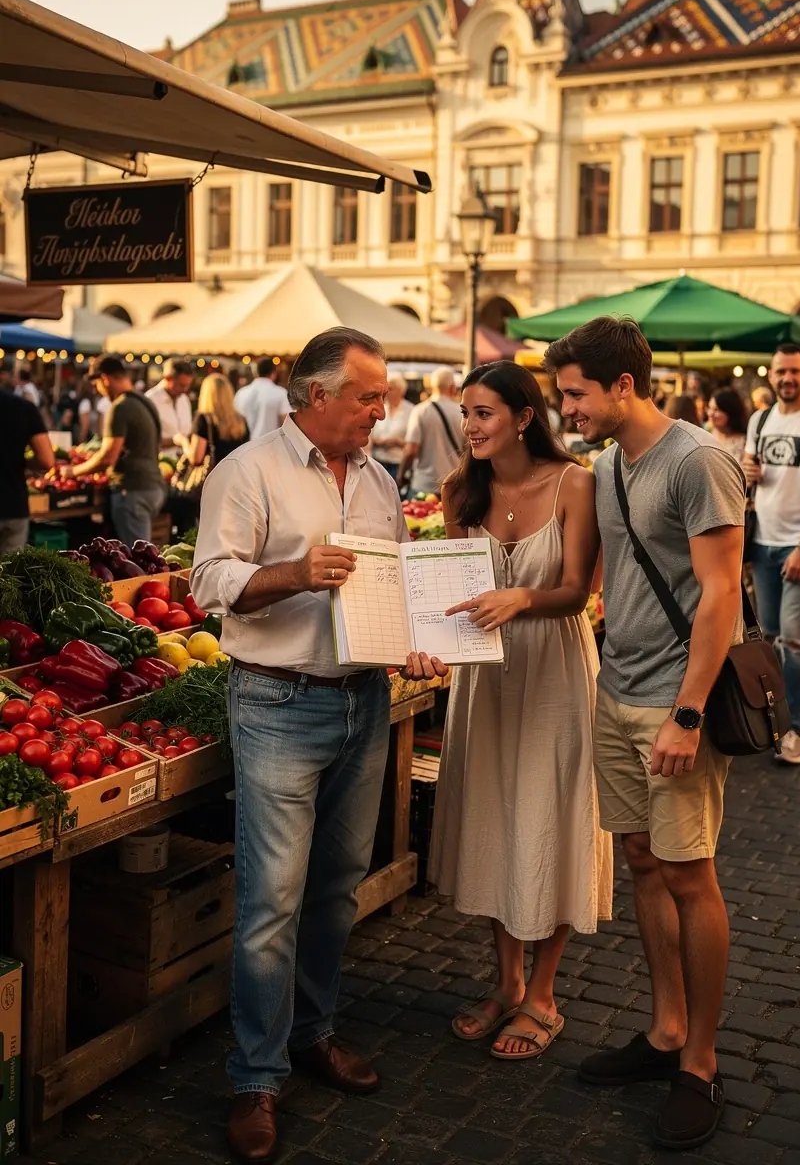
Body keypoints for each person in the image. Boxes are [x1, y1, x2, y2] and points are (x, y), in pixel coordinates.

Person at [190, 327, 445, 1164]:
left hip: (364, 699)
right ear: (316, 396)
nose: (384, 409)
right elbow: (209, 584)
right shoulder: (247, 470)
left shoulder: (378, 477)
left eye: (384, 396)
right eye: (369, 396)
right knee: (271, 903)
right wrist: (297, 573)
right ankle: (255, 1078)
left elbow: (395, 580)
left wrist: (415, 634)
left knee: (336, 888)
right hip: (276, 701)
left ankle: (313, 1033)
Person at [548, 317, 745, 1152]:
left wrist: (689, 713)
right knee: (642, 862)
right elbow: (584, 578)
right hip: (616, 689)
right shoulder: (605, 464)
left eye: (576, 395)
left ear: (623, 386)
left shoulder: (697, 460)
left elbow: (722, 592)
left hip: (675, 703)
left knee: (691, 874)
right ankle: (665, 1029)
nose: (568, 409)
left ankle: (700, 1061)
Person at [429, 360, 612, 1060]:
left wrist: (522, 599)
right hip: (483, 678)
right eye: (466, 413)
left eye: (483, 414)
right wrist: (424, 640)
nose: (470, 426)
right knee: (496, 816)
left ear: (525, 417)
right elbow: (443, 588)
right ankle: (505, 982)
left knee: (552, 815)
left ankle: (543, 994)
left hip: (555, 670)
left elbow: (577, 591)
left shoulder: (575, 484)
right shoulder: (459, 490)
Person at [743, 345, 800, 767]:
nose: (786, 378)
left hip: (799, 546)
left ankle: (794, 729)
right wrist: (749, 471)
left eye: (794, 371)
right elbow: (754, 477)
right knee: (770, 637)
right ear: (770, 375)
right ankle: (785, 713)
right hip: (763, 543)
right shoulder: (761, 419)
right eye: (780, 372)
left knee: (793, 639)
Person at [61, 356, 166, 548]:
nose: (98, 390)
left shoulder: (120, 407)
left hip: (132, 490)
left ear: (105, 379)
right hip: (154, 487)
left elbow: (108, 457)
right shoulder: (144, 401)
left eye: (97, 385)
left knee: (137, 557)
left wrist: (72, 472)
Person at [0, 367, 54, 551]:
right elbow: (47, 460)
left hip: (13, 505)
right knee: (9, 576)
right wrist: (22, 461)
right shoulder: (23, 408)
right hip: (13, 505)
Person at [398, 367, 464, 496]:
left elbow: (411, 450)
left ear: (432, 386)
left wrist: (401, 474)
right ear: (452, 387)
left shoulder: (420, 411)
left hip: (424, 484)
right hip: (454, 484)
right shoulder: (462, 413)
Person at [185, 373, 249, 467]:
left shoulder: (204, 419)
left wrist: (183, 442)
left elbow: (196, 458)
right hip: (235, 475)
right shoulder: (240, 420)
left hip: (213, 476)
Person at [234, 358, 291, 439]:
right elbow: (287, 423)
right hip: (271, 445)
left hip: (245, 446)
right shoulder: (280, 393)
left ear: (255, 373)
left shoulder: (241, 393)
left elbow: (236, 421)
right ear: (273, 374)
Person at [369, 371, 412, 478]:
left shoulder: (411, 411)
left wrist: (397, 442)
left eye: (391, 389)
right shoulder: (380, 408)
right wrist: (379, 441)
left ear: (401, 391)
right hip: (377, 461)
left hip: (398, 464)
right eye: (386, 389)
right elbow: (370, 434)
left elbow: (414, 443)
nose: (387, 392)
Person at [146, 359, 194, 453]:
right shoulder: (150, 400)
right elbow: (145, 440)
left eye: (188, 386)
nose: (185, 390)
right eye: (181, 385)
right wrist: (175, 441)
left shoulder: (184, 399)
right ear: (167, 378)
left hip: (184, 462)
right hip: (161, 462)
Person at [706, 388, 747, 461]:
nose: (710, 413)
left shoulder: (743, 443)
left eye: (716, 410)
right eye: (709, 408)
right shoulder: (704, 437)